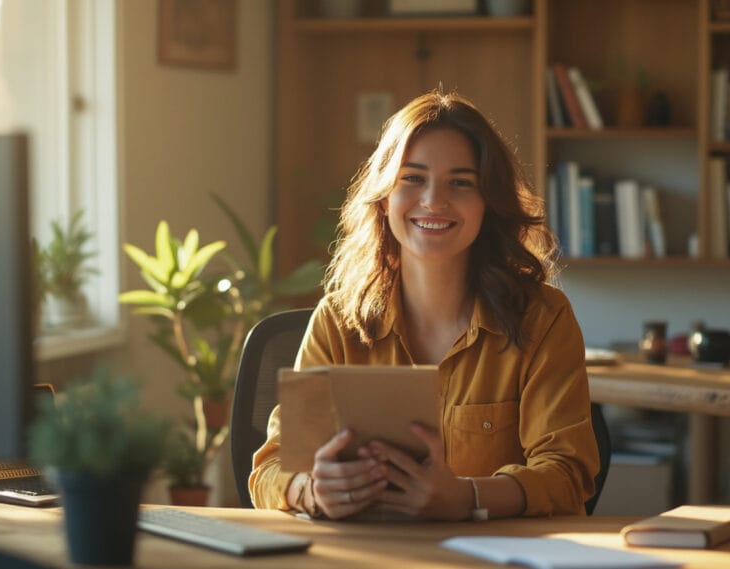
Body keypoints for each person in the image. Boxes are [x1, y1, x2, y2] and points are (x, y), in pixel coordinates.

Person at [249, 90, 600, 520]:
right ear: (384, 197)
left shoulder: (543, 318)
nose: (434, 200)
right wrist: (312, 490)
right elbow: (272, 468)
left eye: (461, 182)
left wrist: (468, 497)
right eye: (412, 178)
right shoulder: (338, 320)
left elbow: (568, 474)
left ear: (488, 202)